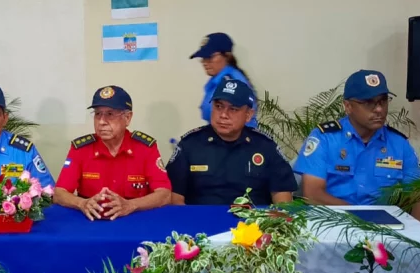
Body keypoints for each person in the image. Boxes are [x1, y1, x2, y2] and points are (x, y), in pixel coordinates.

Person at [293, 70, 420, 225]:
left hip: (384, 229)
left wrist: (414, 237)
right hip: (331, 224)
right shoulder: (325, 138)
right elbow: (313, 194)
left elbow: (419, 197)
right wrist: (362, 220)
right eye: (368, 102)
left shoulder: (399, 144)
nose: (379, 109)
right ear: (348, 106)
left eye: (383, 101)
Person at [166, 79, 297, 205]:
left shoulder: (265, 146)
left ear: (248, 115)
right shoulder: (190, 144)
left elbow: (282, 198)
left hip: (253, 223)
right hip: (201, 223)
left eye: (233, 109)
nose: (223, 115)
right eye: (218, 106)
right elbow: (175, 198)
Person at [54, 85, 172, 220]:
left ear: (127, 118)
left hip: (135, 220)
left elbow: (164, 194)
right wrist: (81, 203)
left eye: (110, 114)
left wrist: (131, 205)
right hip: (92, 221)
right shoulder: (81, 149)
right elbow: (59, 193)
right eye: (98, 114)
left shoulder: (145, 148)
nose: (102, 121)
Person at [190, 32, 258, 128]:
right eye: (203, 58)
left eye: (210, 57)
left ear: (227, 56)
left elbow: (231, 125)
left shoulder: (232, 83)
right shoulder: (215, 81)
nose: (205, 63)